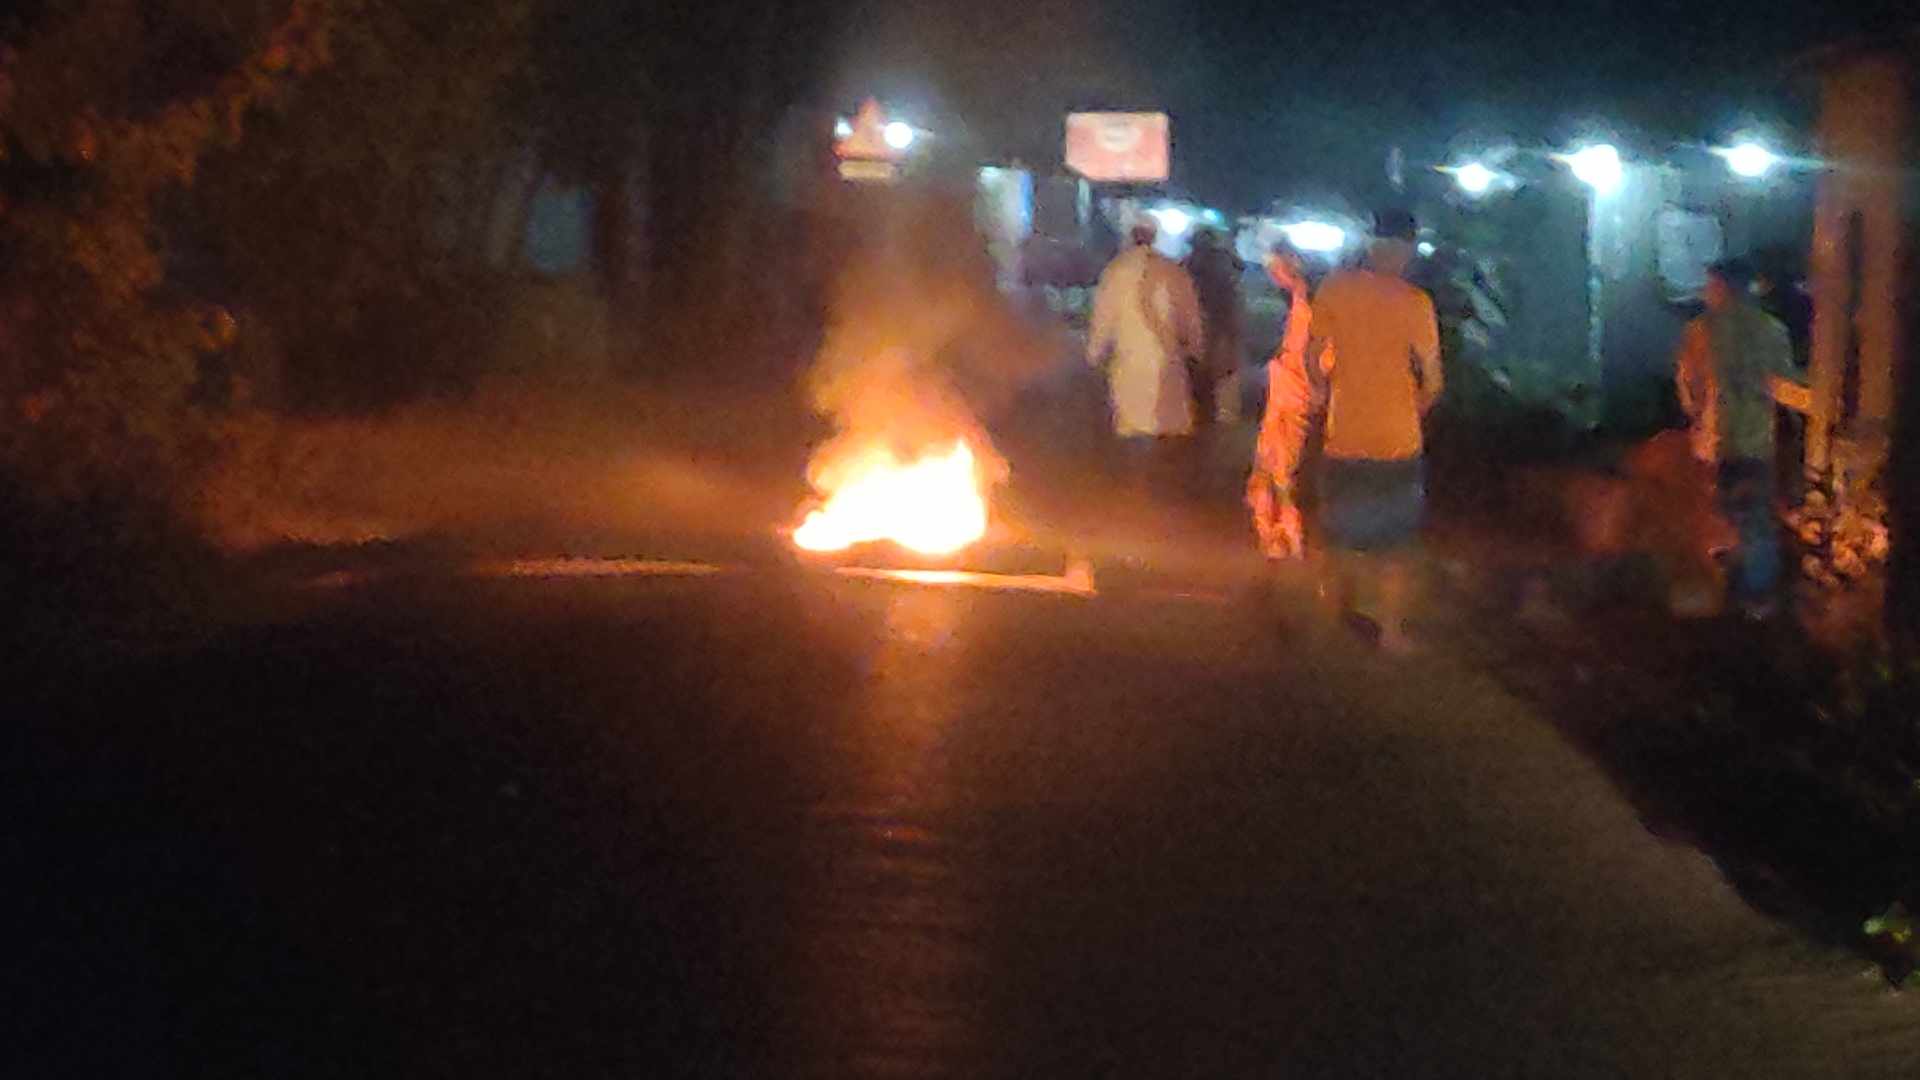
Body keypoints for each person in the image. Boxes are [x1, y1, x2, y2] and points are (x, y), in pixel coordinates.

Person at [1255, 209, 1442, 654]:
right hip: (1398, 439)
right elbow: (1434, 381)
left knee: (1338, 536)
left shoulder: (1337, 291)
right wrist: (1412, 408)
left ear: (1370, 245)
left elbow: (1311, 357)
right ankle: (1389, 631)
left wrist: (1324, 394)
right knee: (1395, 544)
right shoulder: (1416, 302)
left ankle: (1329, 620)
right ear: (1407, 250)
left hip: (1346, 433)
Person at [1674, 256, 1805, 618]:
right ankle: (1757, 602)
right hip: (1755, 442)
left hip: (1711, 446)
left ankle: (1714, 596)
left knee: (1713, 516)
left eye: (1710, 285)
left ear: (1721, 287)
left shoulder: (1700, 331)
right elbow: (1786, 387)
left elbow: (1687, 387)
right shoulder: (1773, 331)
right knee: (1757, 520)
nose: (1705, 292)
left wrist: (1698, 418)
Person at [1087, 220, 1205, 476]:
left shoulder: (1117, 270)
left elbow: (1103, 317)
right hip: (1168, 361)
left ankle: (1136, 481)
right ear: (1154, 236)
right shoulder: (1172, 270)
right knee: (1165, 426)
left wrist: (1094, 354)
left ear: (1132, 236)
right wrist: (1195, 349)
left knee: (1132, 425)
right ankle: (1161, 480)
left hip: (1130, 362)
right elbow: (1190, 316)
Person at [1248, 240, 1314, 560]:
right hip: (1286, 393)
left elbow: (1307, 355)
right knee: (1271, 470)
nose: (1273, 276)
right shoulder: (1299, 302)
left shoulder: (1305, 304)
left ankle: (1288, 538)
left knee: (1281, 472)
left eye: (1276, 269)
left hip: (1292, 394)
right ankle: (1276, 535)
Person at [1182, 229, 1246, 426]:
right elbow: (1239, 270)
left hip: (1208, 319)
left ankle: (1203, 407)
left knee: (1204, 363)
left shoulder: (1191, 262)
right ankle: (1213, 410)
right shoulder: (1220, 260)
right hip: (1216, 319)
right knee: (1218, 365)